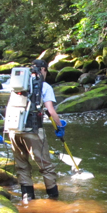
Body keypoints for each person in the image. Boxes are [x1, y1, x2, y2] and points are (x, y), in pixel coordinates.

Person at [8, 59, 66, 200]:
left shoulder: (17, 85)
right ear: (43, 70)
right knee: (46, 166)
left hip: (13, 130)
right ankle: (54, 199)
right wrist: (60, 125)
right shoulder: (44, 86)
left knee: (22, 166)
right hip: (32, 130)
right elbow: (51, 110)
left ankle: (27, 198)